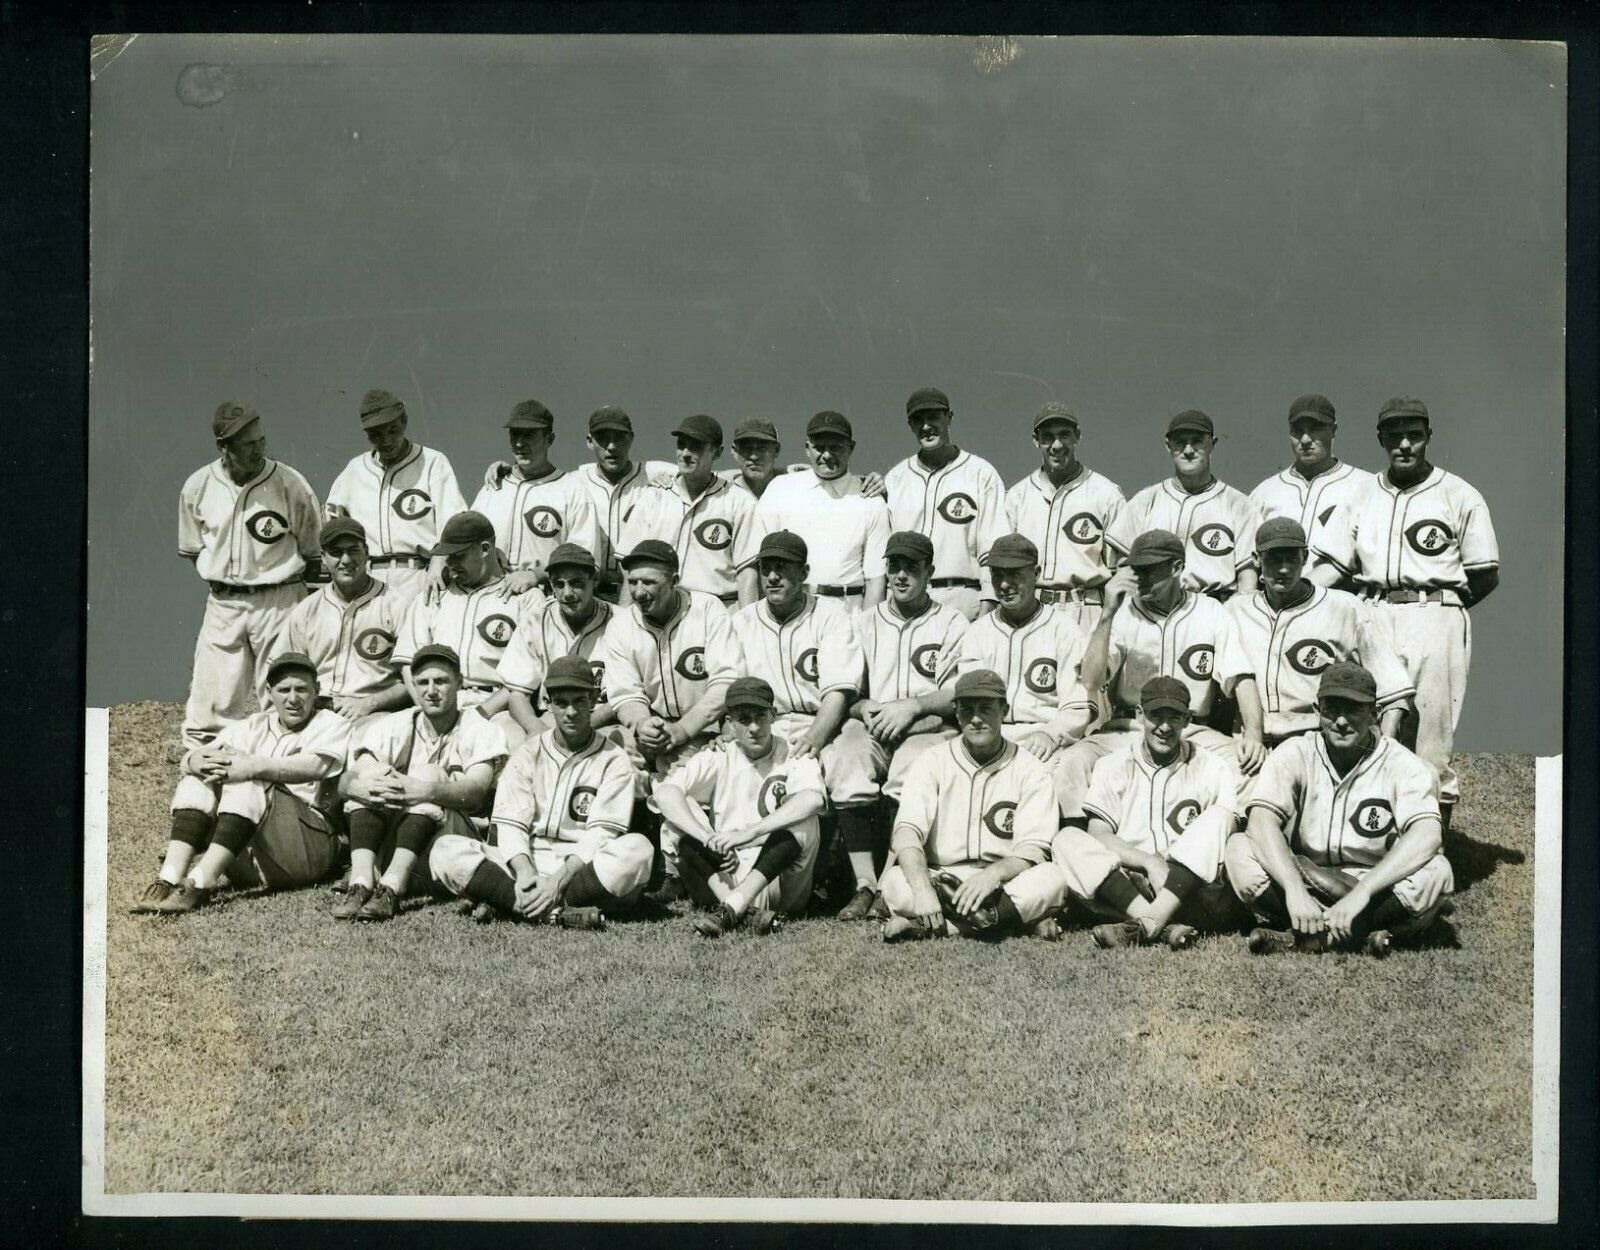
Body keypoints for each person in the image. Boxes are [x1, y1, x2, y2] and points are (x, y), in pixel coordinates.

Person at [1310, 397, 1499, 829]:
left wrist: (1443, 608)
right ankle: (1371, 834)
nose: (1405, 444)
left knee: (1432, 736)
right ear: (1381, 440)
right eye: (1394, 436)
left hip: (1437, 614)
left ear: (1428, 437)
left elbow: (1485, 573)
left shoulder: (1459, 494)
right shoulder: (1360, 495)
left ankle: (1430, 846)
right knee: (1369, 721)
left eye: (1414, 434)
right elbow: (1333, 567)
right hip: (1374, 610)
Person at [1224, 661, 1455, 956]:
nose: (1342, 721)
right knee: (1238, 847)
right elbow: (1260, 822)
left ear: (1375, 713)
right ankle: (1362, 934)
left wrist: (1363, 892)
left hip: (1376, 884)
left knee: (1436, 870)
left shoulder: (1403, 765)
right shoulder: (1295, 752)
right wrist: (1294, 890)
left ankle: (1307, 937)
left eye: (1354, 709)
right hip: (1306, 877)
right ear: (1317, 709)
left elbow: (1428, 834)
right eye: (1332, 708)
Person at [877, 669, 1118, 942]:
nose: (976, 719)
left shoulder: (1029, 768)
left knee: (1052, 879)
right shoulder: (931, 761)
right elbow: (906, 833)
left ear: (1004, 710)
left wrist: (991, 875)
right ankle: (1007, 920)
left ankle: (943, 927)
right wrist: (922, 888)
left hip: (1002, 881)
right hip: (942, 876)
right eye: (968, 710)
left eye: (986, 709)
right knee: (896, 884)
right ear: (956, 713)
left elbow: (1032, 850)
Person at [428, 656, 653, 930]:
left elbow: (601, 834)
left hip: (580, 864)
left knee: (638, 850)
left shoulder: (614, 758)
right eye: (561, 702)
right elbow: (511, 825)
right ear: (548, 703)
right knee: (446, 850)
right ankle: (557, 914)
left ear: (594, 701)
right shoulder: (527, 752)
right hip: (526, 858)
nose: (570, 712)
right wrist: (525, 874)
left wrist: (557, 881)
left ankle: (509, 902)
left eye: (579, 701)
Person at [729, 530, 883, 919]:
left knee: (850, 759)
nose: (774, 577)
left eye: (784, 568)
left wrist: (816, 737)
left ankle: (864, 883)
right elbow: (730, 689)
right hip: (767, 722)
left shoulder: (831, 617)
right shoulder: (743, 621)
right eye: (767, 568)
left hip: (825, 720)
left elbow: (838, 692)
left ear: (805, 573)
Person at [131, 652, 351, 914]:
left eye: (302, 689)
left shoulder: (332, 723)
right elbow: (203, 755)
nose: (293, 699)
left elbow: (315, 766)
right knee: (198, 779)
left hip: (306, 849)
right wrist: (192, 761)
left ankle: (201, 882)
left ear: (316, 690)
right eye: (284, 690)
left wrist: (253, 765)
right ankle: (168, 878)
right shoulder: (252, 725)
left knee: (249, 779)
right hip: (251, 859)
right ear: (269, 692)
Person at [1053, 529, 1243, 820]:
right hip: (1130, 726)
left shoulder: (1211, 611)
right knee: (1072, 762)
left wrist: (1253, 733)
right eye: (1136, 569)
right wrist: (1106, 614)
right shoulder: (1122, 612)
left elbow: (1240, 676)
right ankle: (1082, 846)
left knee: (1244, 765)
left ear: (1177, 568)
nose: (1139, 577)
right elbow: (1091, 681)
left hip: (1191, 727)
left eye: (1149, 570)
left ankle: (1227, 848)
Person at [598, 538, 740, 899]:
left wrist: (683, 730)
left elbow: (727, 682)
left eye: (650, 582)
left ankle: (676, 872)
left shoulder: (707, 610)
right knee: (614, 763)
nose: (639, 591)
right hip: (651, 724)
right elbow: (624, 693)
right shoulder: (622, 624)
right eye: (633, 582)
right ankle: (612, 863)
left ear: (674, 580)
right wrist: (642, 723)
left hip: (706, 725)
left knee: (682, 774)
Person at [177, 401, 321, 748]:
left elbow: (313, 551)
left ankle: (286, 785)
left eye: (261, 440)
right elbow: (194, 549)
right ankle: (204, 782)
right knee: (211, 703)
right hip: (224, 603)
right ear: (223, 446)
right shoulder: (198, 486)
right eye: (248, 444)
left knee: (287, 697)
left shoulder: (290, 483)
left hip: (280, 599)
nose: (259, 449)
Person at [334, 644, 508, 922]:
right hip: (399, 841)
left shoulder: (482, 728)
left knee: (429, 775)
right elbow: (347, 781)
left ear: (460, 683)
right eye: (423, 683)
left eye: (441, 681)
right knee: (373, 774)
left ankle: (392, 887)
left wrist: (422, 789)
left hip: (452, 847)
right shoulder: (393, 725)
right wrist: (356, 787)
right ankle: (361, 883)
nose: (431, 690)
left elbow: (474, 793)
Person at [1071, 677, 1246, 950]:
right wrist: (1149, 863)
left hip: (1190, 890)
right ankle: (1159, 923)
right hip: (1132, 884)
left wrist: (1172, 871)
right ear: (1140, 715)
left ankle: (1149, 921)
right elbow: (1098, 834)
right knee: (1068, 839)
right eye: (1156, 715)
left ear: (1188, 719)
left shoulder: (1212, 766)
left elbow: (1224, 832)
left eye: (1174, 716)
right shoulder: (1112, 764)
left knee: (1221, 816)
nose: (1164, 727)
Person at [1216, 517, 1412, 752]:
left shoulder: (1344, 607)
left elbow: (1395, 689)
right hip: (1252, 744)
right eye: (1274, 559)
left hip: (1320, 744)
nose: (1284, 569)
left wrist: (1385, 747)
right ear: (1257, 560)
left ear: (1305, 558)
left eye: (1291, 558)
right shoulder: (1235, 611)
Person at [653, 676, 827, 936]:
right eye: (744, 719)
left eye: (761, 717)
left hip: (775, 876)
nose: (754, 727)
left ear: (774, 716)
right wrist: (707, 838)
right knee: (675, 820)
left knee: (805, 821)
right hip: (727, 869)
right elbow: (666, 793)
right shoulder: (719, 754)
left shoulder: (794, 754)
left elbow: (812, 799)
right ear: (729, 723)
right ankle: (738, 908)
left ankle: (732, 907)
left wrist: (749, 833)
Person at [850, 530, 968, 837]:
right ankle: (860, 879)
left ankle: (893, 868)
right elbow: (846, 691)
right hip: (873, 725)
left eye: (911, 568)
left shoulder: (952, 622)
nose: (901, 576)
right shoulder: (864, 622)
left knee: (912, 769)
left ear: (929, 572)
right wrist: (862, 707)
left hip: (929, 726)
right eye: (894, 567)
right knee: (845, 761)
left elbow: (958, 693)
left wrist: (913, 706)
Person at [393, 511, 536, 748]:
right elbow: (407, 662)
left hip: (497, 706)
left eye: (458, 556)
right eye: (446, 558)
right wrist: (423, 705)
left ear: (485, 549)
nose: (450, 565)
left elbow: (526, 676)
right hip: (435, 700)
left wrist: (482, 711)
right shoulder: (432, 597)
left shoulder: (524, 599)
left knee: (515, 747)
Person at [954, 533, 1095, 770]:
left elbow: (1077, 706)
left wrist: (1051, 735)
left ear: (1036, 574)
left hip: (1044, 736)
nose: (1004, 584)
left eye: (1014, 574)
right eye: (997, 574)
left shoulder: (1064, 629)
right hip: (987, 737)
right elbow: (970, 701)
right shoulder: (978, 632)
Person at [325, 388, 468, 606]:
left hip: (419, 575)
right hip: (368, 578)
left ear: (404, 422)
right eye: (377, 435)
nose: (387, 440)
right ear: (368, 435)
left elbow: (455, 523)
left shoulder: (432, 463)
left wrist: (440, 562)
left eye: (393, 430)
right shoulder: (354, 471)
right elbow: (332, 524)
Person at [1105, 410, 1261, 601]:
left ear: (1212, 444)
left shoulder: (1239, 504)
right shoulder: (1145, 500)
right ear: (1168, 446)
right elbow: (1124, 567)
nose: (1188, 450)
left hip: (1217, 609)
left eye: (1197, 441)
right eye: (1180, 442)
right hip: (1155, 610)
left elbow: (1248, 577)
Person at [883, 387, 1008, 621]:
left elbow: (993, 549)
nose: (926, 426)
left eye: (933, 417)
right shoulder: (896, 478)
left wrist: (988, 608)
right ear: (910, 425)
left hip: (962, 597)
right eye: (918, 419)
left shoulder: (980, 473)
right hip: (905, 601)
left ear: (949, 418)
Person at [1003, 401, 1126, 633]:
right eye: (1047, 437)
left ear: (1077, 436)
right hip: (1032, 608)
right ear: (1035, 440)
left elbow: (1121, 570)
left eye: (1064, 435)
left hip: (1087, 608)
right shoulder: (1017, 496)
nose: (1057, 445)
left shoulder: (1106, 493)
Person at [752, 411, 891, 612]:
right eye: (819, 447)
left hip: (847, 611)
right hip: (791, 610)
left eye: (836, 447)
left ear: (851, 448)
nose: (827, 455)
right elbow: (759, 564)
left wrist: (868, 628)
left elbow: (875, 579)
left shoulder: (869, 498)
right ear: (808, 449)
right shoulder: (780, 489)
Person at [278, 517, 411, 725]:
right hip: (316, 712)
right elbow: (283, 673)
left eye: (353, 550)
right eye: (336, 552)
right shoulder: (307, 610)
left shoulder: (396, 605)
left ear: (367, 552)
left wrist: (370, 703)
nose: (346, 560)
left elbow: (414, 682)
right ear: (323, 557)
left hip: (375, 713)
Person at [467, 399, 602, 589]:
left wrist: (538, 575)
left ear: (550, 439)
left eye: (529, 435)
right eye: (515, 435)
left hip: (545, 596)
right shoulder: (494, 486)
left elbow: (586, 558)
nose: (520, 443)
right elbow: (465, 541)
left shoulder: (572, 489)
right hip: (490, 593)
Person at [633, 415, 761, 608]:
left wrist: (749, 626)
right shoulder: (653, 497)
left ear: (717, 453)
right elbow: (631, 567)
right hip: (661, 610)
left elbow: (747, 574)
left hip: (720, 609)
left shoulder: (739, 501)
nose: (685, 453)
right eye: (681, 445)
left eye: (696, 447)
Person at [497, 542, 618, 740]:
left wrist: (582, 729)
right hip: (549, 717)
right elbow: (518, 693)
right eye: (559, 584)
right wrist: (535, 729)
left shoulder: (619, 621)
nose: (567, 593)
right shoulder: (536, 619)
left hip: (602, 720)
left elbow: (624, 696)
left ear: (594, 581)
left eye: (576, 583)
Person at [573, 405, 677, 603]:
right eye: (603, 438)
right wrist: (503, 470)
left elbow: (714, 477)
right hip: (588, 594)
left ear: (631, 439)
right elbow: (543, 484)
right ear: (589, 441)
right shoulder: (575, 481)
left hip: (636, 594)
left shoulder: (653, 472)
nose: (611, 446)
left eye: (619, 437)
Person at [1248, 393, 1372, 557]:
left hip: (1343, 582)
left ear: (1333, 430)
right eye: (1297, 431)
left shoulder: (1365, 486)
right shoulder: (1265, 493)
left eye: (1315, 429)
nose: (1305, 439)